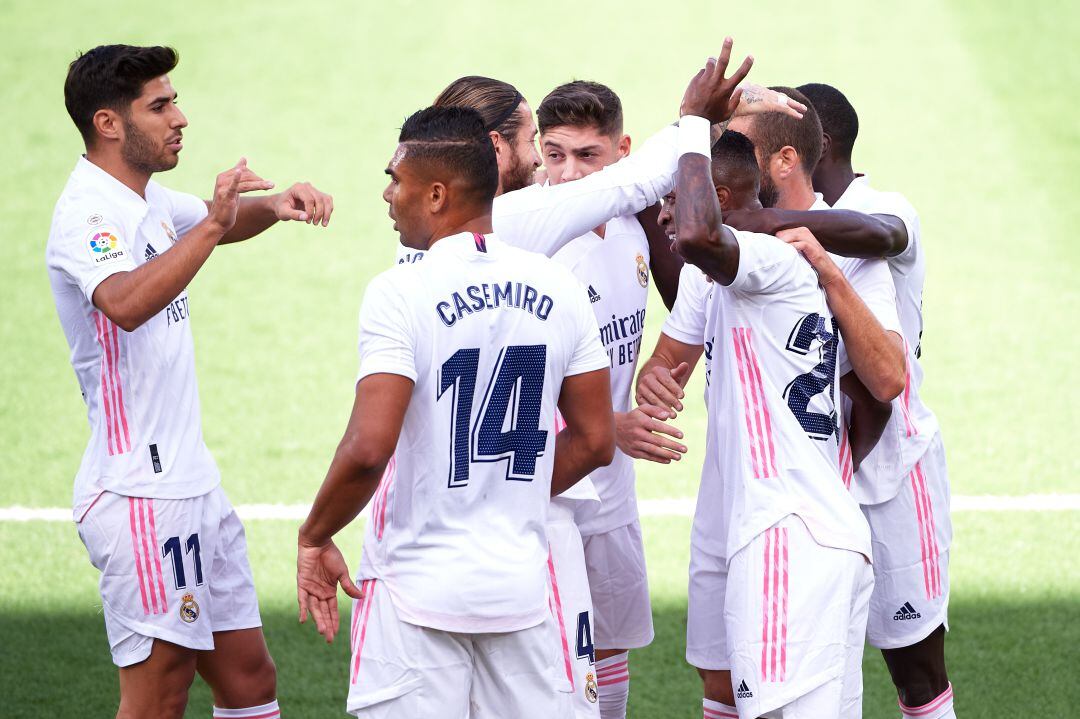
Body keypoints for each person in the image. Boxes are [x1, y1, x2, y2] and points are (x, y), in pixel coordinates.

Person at [426, 62, 800, 719]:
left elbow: (691, 290)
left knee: (608, 650)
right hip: (552, 487)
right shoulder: (529, 236)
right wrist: (608, 425)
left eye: (586, 154)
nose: (567, 171)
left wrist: (664, 369)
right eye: (550, 152)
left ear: (618, 150)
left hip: (611, 483)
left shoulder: (631, 223)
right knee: (553, 674)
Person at [295, 106, 617, 719]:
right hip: (521, 592)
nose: (388, 194)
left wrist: (315, 534)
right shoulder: (559, 286)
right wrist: (507, 495)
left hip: (415, 594)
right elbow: (597, 440)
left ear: (437, 193)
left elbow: (368, 448)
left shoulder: (399, 291)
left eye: (396, 178)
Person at [46, 44, 333, 719]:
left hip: (194, 486)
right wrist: (211, 225)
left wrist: (274, 204)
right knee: (158, 695)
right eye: (160, 105)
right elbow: (123, 300)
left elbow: (211, 218)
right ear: (109, 123)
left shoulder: (141, 197)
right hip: (141, 495)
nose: (180, 117)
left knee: (248, 679)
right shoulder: (88, 214)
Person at [667, 50, 876, 718]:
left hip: (787, 536)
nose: (670, 211)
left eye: (680, 195)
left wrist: (692, 124)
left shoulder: (758, 258)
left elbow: (701, 232)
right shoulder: (789, 256)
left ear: (724, 199)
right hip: (827, 530)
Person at [795, 82, 955, 719]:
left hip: (895, 472)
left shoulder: (885, 206)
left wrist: (766, 221)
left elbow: (881, 234)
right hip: (808, 475)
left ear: (818, 144)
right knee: (803, 670)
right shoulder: (777, 215)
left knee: (916, 670)